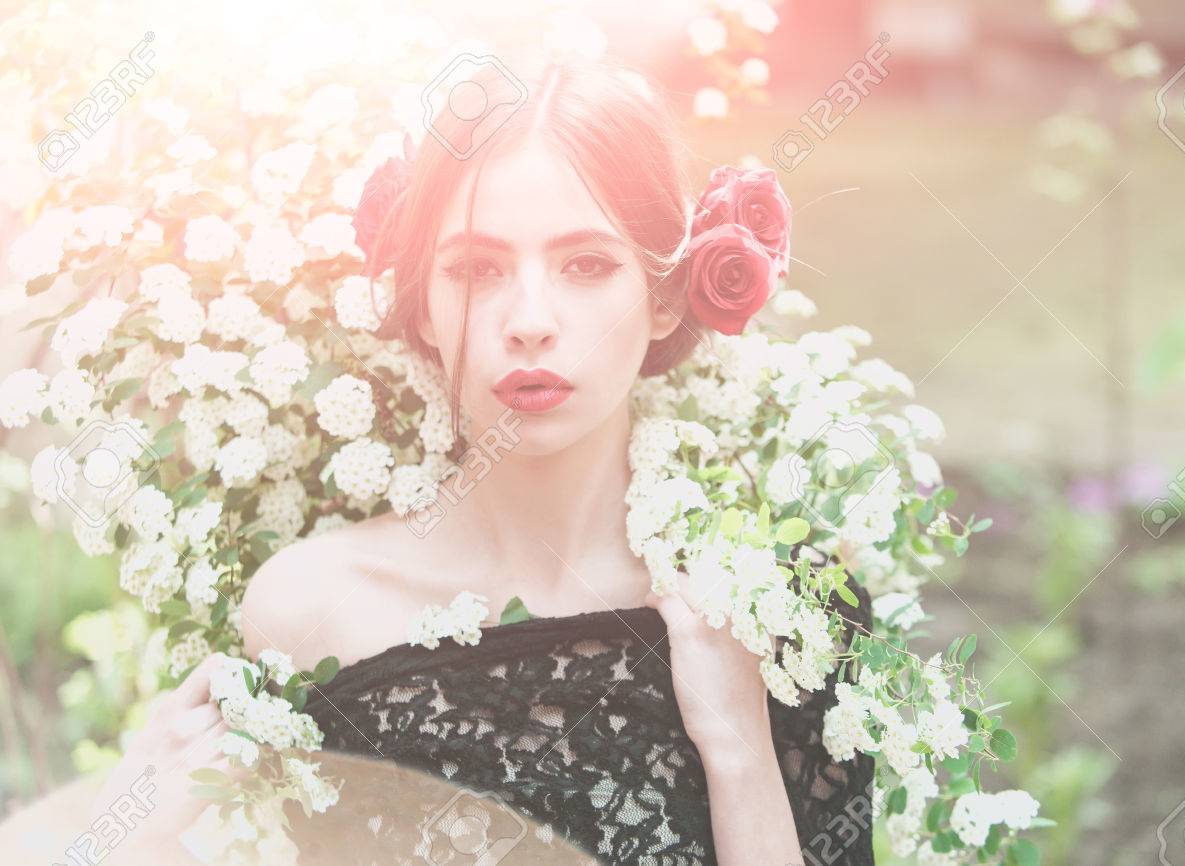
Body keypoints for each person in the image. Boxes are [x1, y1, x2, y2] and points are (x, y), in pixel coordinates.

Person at [92, 53, 875, 865]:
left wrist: (738, 749)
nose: (529, 320)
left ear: (666, 294)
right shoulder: (312, 611)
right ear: (422, 304)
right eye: (475, 270)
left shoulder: (776, 617)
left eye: (587, 265)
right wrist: (130, 839)